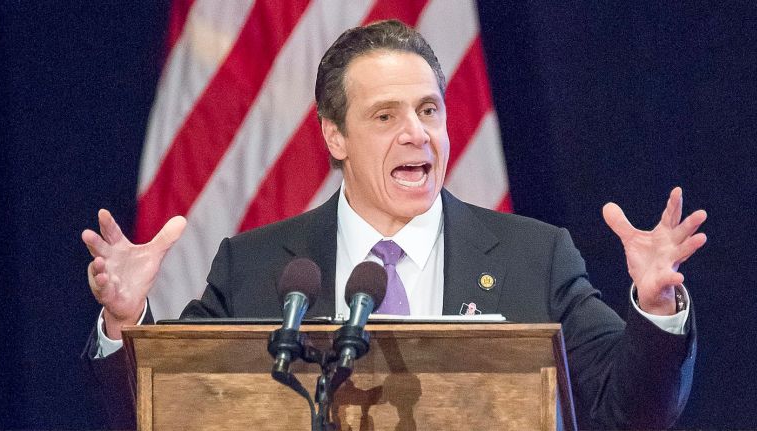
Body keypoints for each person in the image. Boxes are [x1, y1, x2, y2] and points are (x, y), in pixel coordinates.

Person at [82, 20, 707, 429]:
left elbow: (629, 410)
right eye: (385, 116)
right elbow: (164, 411)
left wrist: (656, 309)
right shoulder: (257, 266)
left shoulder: (532, 258)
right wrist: (124, 323)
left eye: (428, 109)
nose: (417, 133)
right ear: (335, 135)